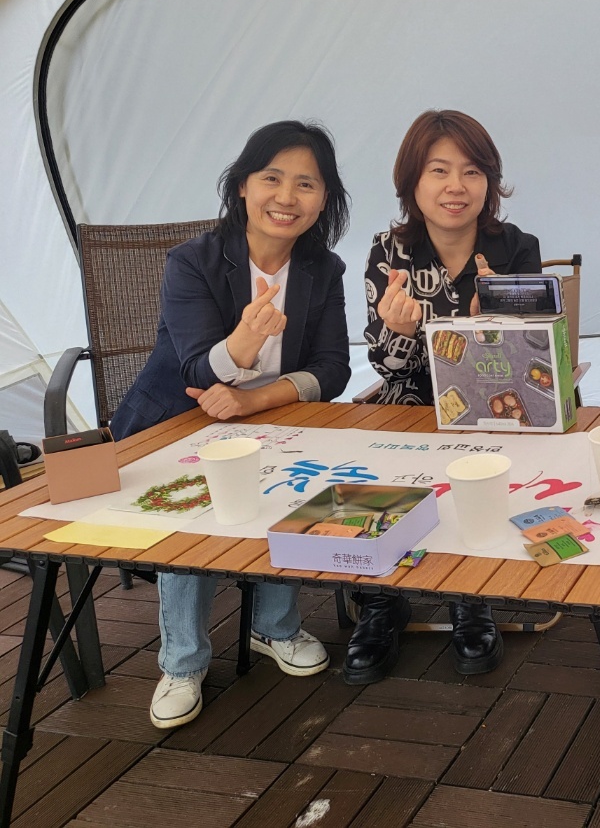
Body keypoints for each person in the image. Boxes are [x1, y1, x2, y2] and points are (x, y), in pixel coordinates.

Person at [109, 120, 351, 730]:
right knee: (194, 510)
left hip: (268, 420)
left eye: (306, 184)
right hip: (175, 422)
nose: (287, 197)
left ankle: (275, 627)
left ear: (324, 197)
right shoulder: (192, 261)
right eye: (272, 178)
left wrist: (256, 399)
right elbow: (195, 368)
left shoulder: (324, 268)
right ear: (242, 185)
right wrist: (244, 339)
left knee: (297, 485)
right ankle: (183, 662)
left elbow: (333, 369)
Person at [346, 109, 541, 683]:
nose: (456, 186)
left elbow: (530, 364)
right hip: (410, 399)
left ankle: (469, 594)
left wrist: (491, 331)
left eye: (471, 171)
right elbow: (385, 366)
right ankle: (381, 601)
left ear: (489, 183)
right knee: (375, 453)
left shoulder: (516, 248)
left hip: (491, 404)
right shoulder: (388, 251)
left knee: (483, 455)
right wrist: (399, 331)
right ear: (412, 182)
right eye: (439, 170)